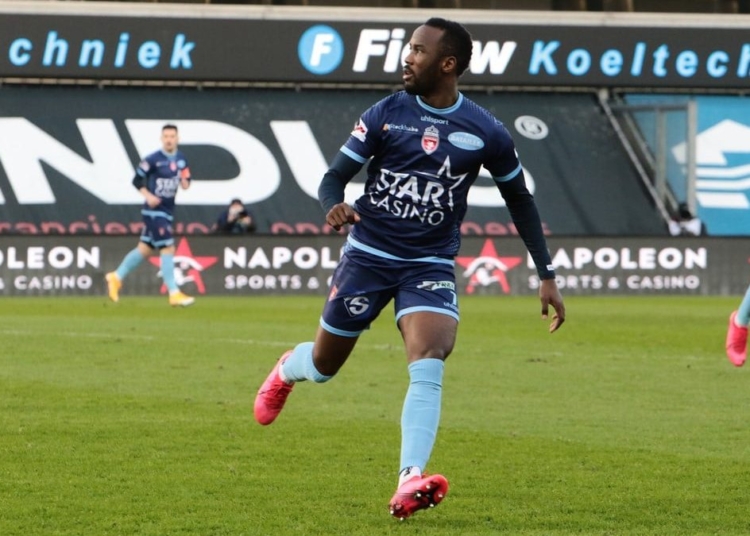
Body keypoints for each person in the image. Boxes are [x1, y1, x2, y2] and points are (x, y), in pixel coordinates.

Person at [252, 17, 565, 520]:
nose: (407, 57)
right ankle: (289, 367)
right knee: (325, 367)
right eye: (409, 48)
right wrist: (334, 205)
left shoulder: (486, 130)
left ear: (447, 64)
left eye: (419, 50)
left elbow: (520, 201)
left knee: (430, 356)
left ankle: (409, 478)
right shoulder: (386, 113)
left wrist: (545, 273)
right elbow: (334, 177)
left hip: (429, 263)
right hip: (368, 256)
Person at [105, 124, 195, 307]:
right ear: (161, 138)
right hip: (154, 212)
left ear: (177, 139)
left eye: (172, 136)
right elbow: (136, 180)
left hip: (168, 211)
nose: (169, 139)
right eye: (166, 136)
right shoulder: (153, 159)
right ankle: (174, 293)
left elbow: (186, 181)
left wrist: (185, 182)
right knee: (167, 248)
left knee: (144, 248)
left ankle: (116, 276)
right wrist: (148, 196)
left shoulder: (181, 159)